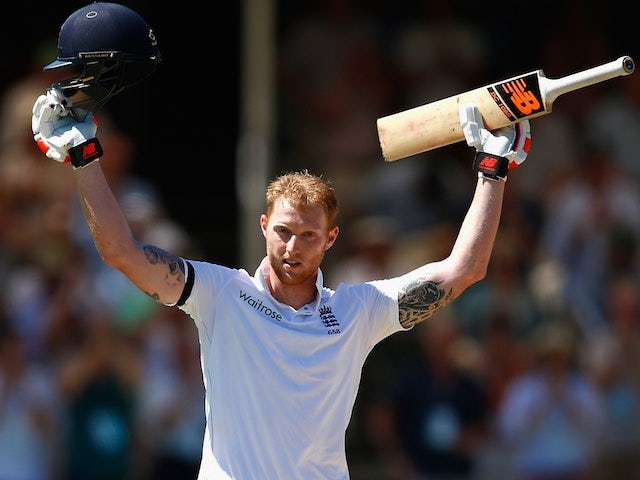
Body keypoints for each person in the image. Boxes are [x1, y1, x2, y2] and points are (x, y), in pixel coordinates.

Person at [30, 3, 532, 479]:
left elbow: (464, 270)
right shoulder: (221, 294)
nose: (293, 247)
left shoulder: (358, 310)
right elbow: (122, 253)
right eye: (284, 232)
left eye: (308, 235)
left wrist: (493, 172)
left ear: (331, 239)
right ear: (263, 227)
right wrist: (85, 156)